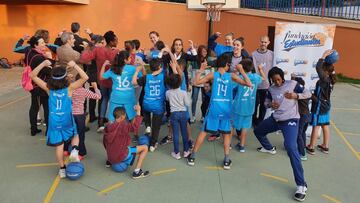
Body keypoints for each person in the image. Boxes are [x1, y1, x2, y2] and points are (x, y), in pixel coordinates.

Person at [253, 67, 311, 202]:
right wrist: (270, 105)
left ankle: (302, 185)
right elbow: (266, 103)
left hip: (290, 120)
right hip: (276, 119)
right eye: (274, 80)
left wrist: (296, 96)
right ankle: (269, 148)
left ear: (282, 77)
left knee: (291, 148)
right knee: (258, 131)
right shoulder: (271, 89)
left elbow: (308, 93)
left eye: (278, 79)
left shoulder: (292, 84)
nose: (277, 83)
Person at [187, 54, 252, 169]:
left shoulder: (213, 75)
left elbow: (196, 83)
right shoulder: (232, 76)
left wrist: (201, 70)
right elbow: (249, 84)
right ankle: (226, 160)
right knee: (226, 135)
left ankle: (192, 156)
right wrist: (242, 71)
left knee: (203, 132)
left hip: (214, 109)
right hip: (226, 110)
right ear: (227, 65)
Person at [30, 60, 88, 178]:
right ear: (65, 77)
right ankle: (75, 150)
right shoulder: (70, 88)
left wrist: (42, 64)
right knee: (75, 135)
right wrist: (75, 65)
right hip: (66, 119)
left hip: (54, 121)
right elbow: (85, 77)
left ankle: (62, 169)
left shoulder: (48, 88)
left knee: (59, 146)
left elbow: (32, 75)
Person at [80, 30, 120, 131]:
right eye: (116, 40)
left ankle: (100, 122)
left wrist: (89, 47)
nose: (117, 42)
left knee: (104, 99)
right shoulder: (116, 52)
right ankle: (112, 123)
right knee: (113, 101)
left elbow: (84, 58)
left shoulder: (98, 50)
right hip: (112, 81)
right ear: (111, 42)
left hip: (102, 80)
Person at [103, 105, 150, 179]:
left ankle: (109, 162)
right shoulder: (123, 126)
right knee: (145, 148)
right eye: (125, 116)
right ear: (122, 117)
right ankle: (137, 172)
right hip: (121, 155)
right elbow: (135, 126)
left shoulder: (108, 127)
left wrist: (110, 157)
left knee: (118, 145)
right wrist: (138, 111)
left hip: (111, 157)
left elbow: (105, 143)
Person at [100, 51, 145, 123]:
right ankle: (134, 132)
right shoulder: (133, 68)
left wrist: (104, 65)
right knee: (132, 117)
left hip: (116, 97)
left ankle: (111, 133)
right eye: (130, 57)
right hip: (129, 97)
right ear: (125, 60)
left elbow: (101, 77)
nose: (131, 58)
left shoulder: (113, 69)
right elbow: (143, 77)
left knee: (111, 118)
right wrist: (142, 68)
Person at [306, 50, 337, 155]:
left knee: (317, 125)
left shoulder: (324, 79)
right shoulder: (331, 79)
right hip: (327, 104)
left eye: (323, 70)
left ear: (326, 71)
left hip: (320, 105)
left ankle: (311, 147)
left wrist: (323, 56)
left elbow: (318, 67)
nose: (321, 71)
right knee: (325, 125)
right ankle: (325, 146)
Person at [132, 58, 166, 152]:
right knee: (156, 127)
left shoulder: (146, 77)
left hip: (146, 103)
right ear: (159, 67)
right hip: (158, 106)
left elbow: (134, 82)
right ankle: (152, 144)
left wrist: (137, 71)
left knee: (146, 111)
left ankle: (147, 125)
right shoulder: (164, 77)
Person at [64, 78, 101, 160]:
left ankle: (65, 149)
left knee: (68, 132)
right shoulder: (84, 91)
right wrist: (95, 88)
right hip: (79, 115)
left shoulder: (69, 90)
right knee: (80, 134)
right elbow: (98, 96)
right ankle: (81, 153)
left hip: (69, 115)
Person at [232, 59, 265, 152]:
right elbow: (263, 78)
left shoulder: (240, 77)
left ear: (242, 67)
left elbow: (232, 86)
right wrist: (260, 69)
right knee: (245, 127)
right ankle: (242, 146)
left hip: (238, 106)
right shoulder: (255, 77)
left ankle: (229, 144)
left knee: (232, 125)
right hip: (250, 106)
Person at [25, 36, 53, 136]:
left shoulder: (29, 52)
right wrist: (49, 58)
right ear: (35, 45)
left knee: (34, 107)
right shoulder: (39, 57)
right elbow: (48, 72)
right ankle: (46, 130)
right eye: (41, 43)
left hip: (33, 85)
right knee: (45, 108)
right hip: (40, 86)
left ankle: (33, 129)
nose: (44, 44)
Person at [166, 73, 191, 159]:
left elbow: (167, 100)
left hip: (174, 114)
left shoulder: (168, 93)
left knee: (175, 134)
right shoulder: (183, 93)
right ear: (180, 82)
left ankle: (176, 153)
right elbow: (187, 104)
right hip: (183, 113)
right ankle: (186, 151)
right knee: (184, 133)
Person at [252, 36, 274, 127]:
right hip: (255, 85)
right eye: (262, 42)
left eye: (265, 42)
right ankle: (254, 121)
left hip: (266, 85)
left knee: (263, 105)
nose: (263, 44)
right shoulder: (253, 54)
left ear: (268, 42)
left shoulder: (272, 54)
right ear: (259, 42)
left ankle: (260, 122)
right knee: (255, 104)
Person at [291, 76, 310, 161]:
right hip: (307, 116)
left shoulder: (299, 96)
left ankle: (302, 153)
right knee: (302, 133)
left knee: (298, 133)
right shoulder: (305, 94)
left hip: (302, 116)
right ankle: (303, 149)